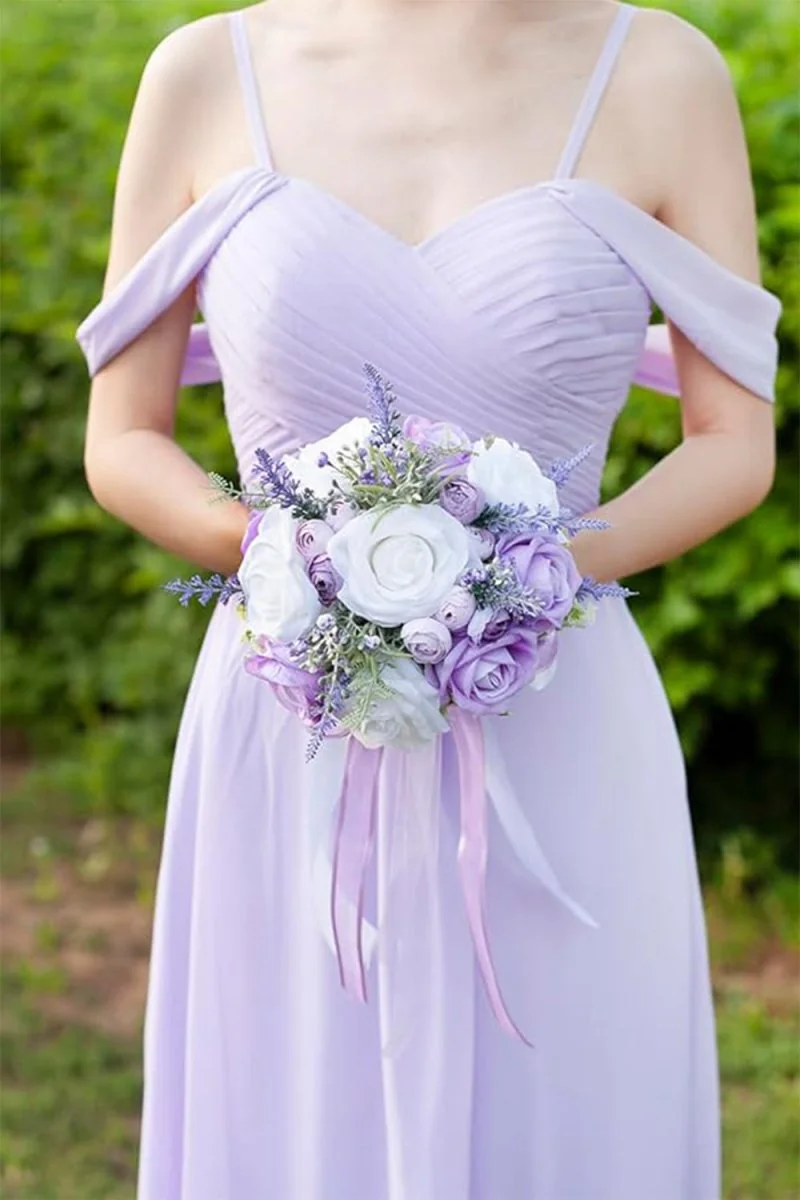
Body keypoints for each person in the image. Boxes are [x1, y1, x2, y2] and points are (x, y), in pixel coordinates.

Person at [75, 1, 781, 1196]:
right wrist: (293, 562)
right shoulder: (204, 71)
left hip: (552, 703)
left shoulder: (660, 69)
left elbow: (731, 443)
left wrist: (513, 575)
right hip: (286, 710)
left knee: (564, 1108)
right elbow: (123, 439)